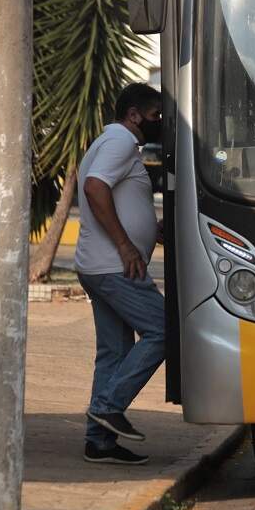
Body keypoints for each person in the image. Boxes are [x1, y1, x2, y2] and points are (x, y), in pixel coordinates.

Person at [75, 83, 165, 465]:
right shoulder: (120, 142)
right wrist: (127, 245)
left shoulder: (109, 143)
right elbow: (96, 188)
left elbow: (116, 195)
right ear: (134, 115)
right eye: (155, 115)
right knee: (165, 330)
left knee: (114, 352)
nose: (160, 122)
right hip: (114, 266)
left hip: (100, 265)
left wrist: (151, 230)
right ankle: (110, 407)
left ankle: (99, 443)